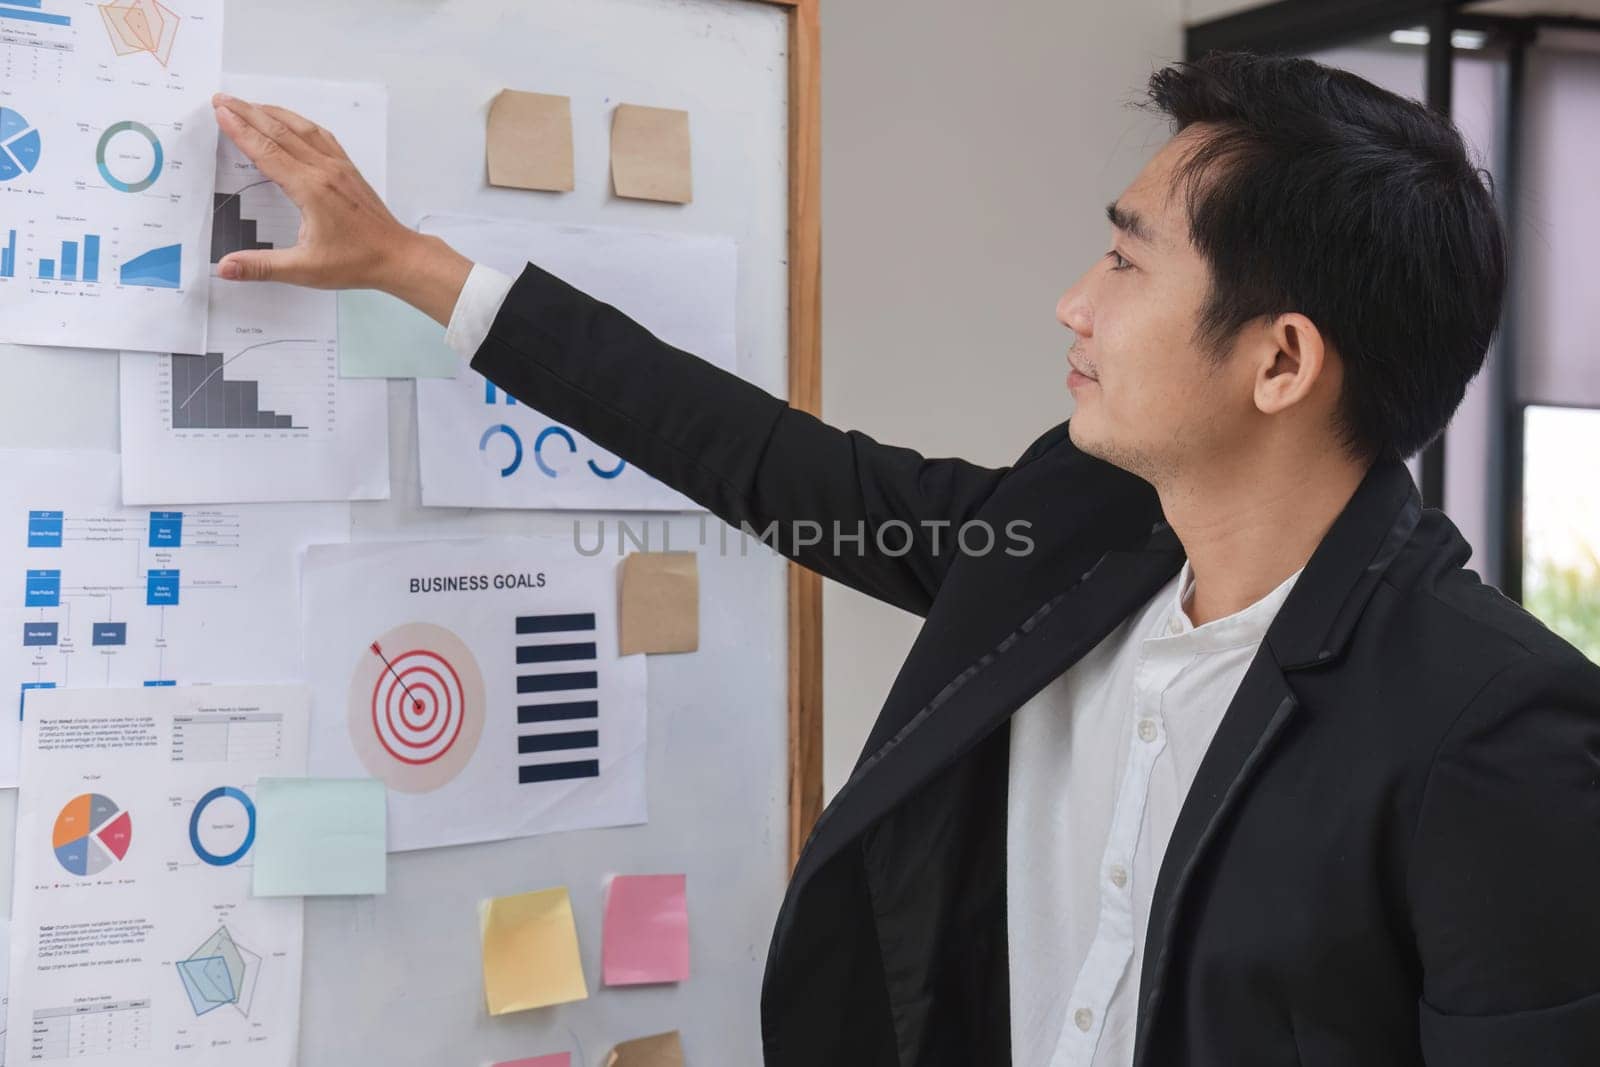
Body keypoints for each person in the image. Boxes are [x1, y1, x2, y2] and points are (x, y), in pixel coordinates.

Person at [209, 49, 1600, 1067]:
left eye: (1125, 265)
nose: (1073, 301)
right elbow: (772, 466)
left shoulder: (1493, 729)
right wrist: (411, 265)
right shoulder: (1076, 532)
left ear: (1280, 360)